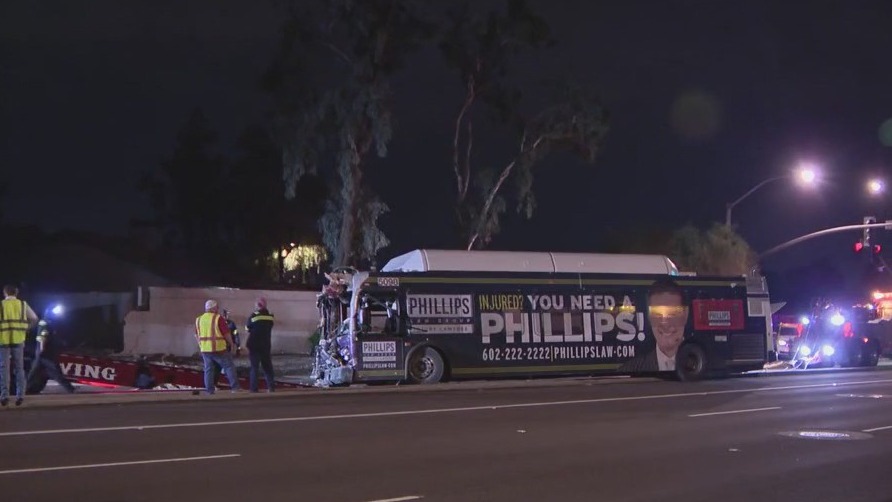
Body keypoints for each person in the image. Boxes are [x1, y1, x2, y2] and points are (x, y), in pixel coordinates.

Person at [620, 278, 689, 372]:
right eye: (657, 314)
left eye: (673, 314)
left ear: (685, 315)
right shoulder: (630, 370)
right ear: (649, 317)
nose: (665, 323)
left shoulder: (706, 365)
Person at [0, 285, 39, 406]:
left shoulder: (1, 305)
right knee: (19, 369)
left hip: (3, 340)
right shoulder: (22, 305)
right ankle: (20, 395)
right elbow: (34, 318)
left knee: (4, 369)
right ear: (16, 293)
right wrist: (26, 328)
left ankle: (4, 396)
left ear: (5, 293)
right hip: (19, 339)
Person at [194, 299, 240, 394]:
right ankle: (235, 388)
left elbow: (196, 335)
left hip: (205, 349)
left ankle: (210, 391)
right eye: (217, 307)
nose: (218, 309)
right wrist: (232, 344)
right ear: (213, 308)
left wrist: (201, 345)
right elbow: (226, 333)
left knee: (208, 369)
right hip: (218, 349)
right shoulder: (218, 318)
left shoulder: (199, 319)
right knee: (229, 366)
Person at [27, 319, 76, 393]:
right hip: (44, 354)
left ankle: (25, 389)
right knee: (55, 372)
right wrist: (42, 349)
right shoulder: (44, 324)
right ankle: (70, 388)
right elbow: (43, 337)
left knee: (33, 373)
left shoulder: (44, 323)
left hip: (42, 354)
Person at [245, 297, 275, 393]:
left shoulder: (253, 316)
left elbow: (247, 328)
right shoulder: (270, 316)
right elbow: (270, 326)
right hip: (265, 345)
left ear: (257, 306)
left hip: (254, 345)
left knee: (254, 368)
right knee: (267, 367)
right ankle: (271, 387)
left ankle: (254, 389)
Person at [211, 309, 241, 389]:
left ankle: (219, 383)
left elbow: (236, 335)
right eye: (226, 314)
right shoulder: (220, 322)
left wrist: (237, 346)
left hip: (225, 347)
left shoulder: (231, 324)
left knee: (225, 366)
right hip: (221, 347)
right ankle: (232, 386)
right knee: (225, 366)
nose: (227, 316)